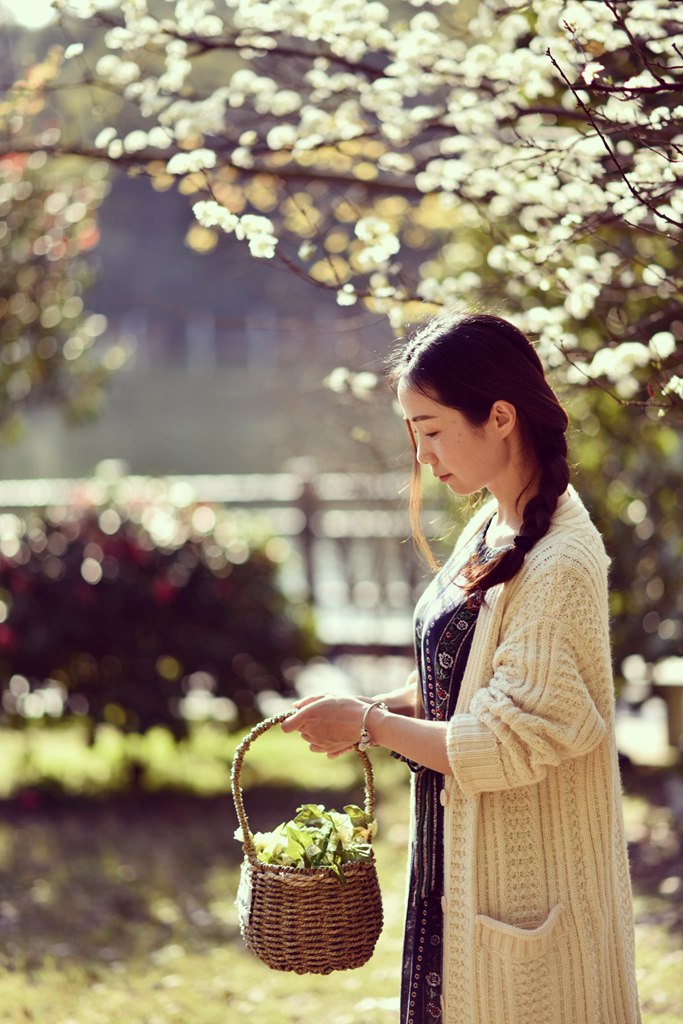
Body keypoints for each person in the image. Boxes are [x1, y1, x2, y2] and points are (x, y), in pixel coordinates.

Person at [282, 312, 642, 1024]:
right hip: (456, 869)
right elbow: (471, 681)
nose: (421, 455)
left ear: (500, 416)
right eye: (413, 433)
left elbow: (506, 741)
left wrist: (370, 725)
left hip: (528, 894)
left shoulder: (559, 560)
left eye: (432, 429)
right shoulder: (493, 523)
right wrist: (372, 711)